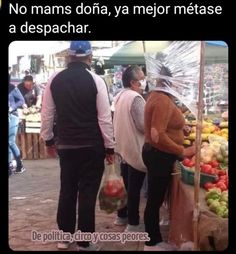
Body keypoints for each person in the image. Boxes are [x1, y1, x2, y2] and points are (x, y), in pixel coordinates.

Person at [40, 41, 115, 251]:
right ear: (90, 57)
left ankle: (64, 237)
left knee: (67, 190)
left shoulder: (55, 79)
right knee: (87, 193)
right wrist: (110, 147)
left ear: (69, 56)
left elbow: (46, 114)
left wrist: (48, 140)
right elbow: (104, 118)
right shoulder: (97, 81)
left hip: (66, 146)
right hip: (92, 146)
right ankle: (84, 241)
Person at [142, 65, 195, 251]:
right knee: (154, 200)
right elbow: (158, 135)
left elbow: (162, 127)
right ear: (169, 81)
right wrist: (181, 150)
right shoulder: (162, 100)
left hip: (156, 153)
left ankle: (153, 235)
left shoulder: (156, 96)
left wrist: (181, 127)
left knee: (157, 197)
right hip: (159, 155)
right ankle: (152, 242)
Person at [113, 65, 147, 232]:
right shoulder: (135, 98)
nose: (144, 81)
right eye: (142, 78)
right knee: (133, 188)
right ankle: (133, 223)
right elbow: (142, 125)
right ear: (133, 82)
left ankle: (121, 216)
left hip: (123, 146)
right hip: (134, 147)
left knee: (126, 184)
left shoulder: (120, 96)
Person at [9, 80, 26, 175]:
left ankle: (19, 165)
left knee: (10, 141)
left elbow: (21, 100)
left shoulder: (13, 88)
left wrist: (12, 107)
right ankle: (10, 165)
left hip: (12, 116)